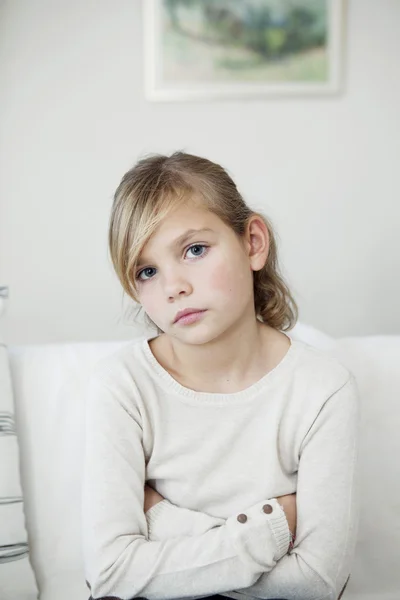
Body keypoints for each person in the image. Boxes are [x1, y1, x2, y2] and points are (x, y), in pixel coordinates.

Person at [82, 152, 359, 600]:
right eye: (147, 271)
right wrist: (269, 531)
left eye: (194, 250)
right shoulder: (121, 384)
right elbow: (110, 573)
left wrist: (161, 521)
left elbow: (317, 582)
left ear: (252, 242)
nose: (174, 286)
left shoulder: (322, 387)